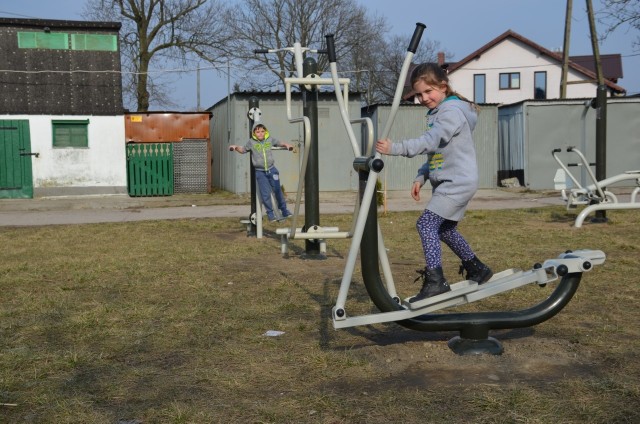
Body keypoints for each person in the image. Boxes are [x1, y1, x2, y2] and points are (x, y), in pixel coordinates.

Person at [376, 63, 493, 303]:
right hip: (453, 182)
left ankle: (436, 280)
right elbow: (436, 153)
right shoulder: (440, 112)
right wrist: (422, 176)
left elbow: (430, 141)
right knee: (445, 229)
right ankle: (477, 268)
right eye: (419, 94)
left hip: (457, 183)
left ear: (443, 86)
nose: (423, 98)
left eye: (428, 92)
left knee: (426, 224)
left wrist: (395, 148)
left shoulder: (450, 113)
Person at [229, 123, 294, 222]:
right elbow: (243, 150)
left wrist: (286, 145)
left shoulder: (270, 139)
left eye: (262, 131)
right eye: (258, 132)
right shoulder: (251, 142)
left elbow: (279, 143)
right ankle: (270, 214)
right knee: (265, 194)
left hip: (272, 170)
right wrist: (236, 147)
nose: (260, 133)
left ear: (265, 132)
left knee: (277, 191)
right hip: (260, 172)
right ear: (254, 133)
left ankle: (284, 210)